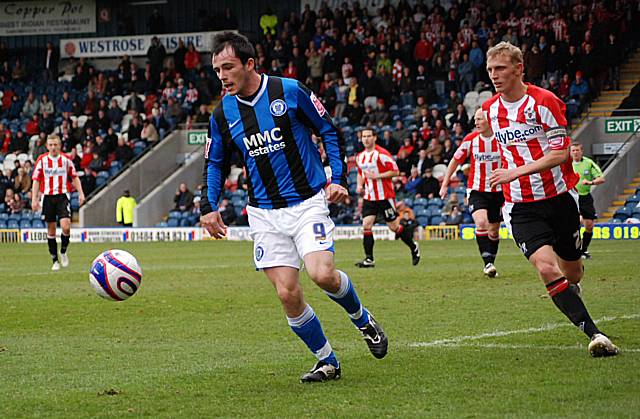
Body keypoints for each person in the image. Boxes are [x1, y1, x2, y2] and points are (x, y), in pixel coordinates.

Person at [200, 32, 387, 383]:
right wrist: (208, 206)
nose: (222, 76)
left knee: (322, 274)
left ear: (249, 64)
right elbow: (215, 162)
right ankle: (327, 361)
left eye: (228, 67)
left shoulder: (290, 91)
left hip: (306, 203)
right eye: (217, 70)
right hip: (264, 214)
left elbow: (329, 131)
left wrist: (338, 178)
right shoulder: (222, 113)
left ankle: (362, 319)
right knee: (287, 292)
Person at [484, 42, 618, 357]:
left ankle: (571, 286)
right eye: (490, 70)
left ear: (519, 68)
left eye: (501, 68)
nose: (494, 75)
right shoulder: (491, 109)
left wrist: (516, 170)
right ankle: (595, 335)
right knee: (546, 268)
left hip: (559, 199)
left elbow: (559, 153)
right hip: (519, 206)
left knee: (572, 272)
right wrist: (509, 176)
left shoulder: (544, 102)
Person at [440, 108, 504, 277]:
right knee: (481, 223)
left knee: (494, 231)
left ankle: (491, 260)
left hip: (498, 191)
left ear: (489, 120)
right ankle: (488, 263)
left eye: (480, 119)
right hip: (477, 190)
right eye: (475, 119)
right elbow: (455, 160)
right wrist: (445, 183)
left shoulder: (502, 138)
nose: (476, 122)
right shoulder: (471, 140)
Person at [354, 128, 420, 268]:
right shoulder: (360, 156)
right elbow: (361, 173)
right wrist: (359, 185)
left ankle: (413, 247)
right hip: (369, 196)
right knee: (366, 225)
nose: (366, 139)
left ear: (375, 137)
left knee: (394, 227)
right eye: (363, 136)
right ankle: (369, 259)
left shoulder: (382, 154)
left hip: (385, 196)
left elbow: (396, 171)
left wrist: (377, 176)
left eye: (369, 136)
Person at [31, 135, 85, 271]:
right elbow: (36, 180)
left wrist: (81, 193)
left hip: (62, 196)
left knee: (66, 227)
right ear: (47, 146)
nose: (53, 147)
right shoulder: (42, 161)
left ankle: (63, 251)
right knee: (51, 229)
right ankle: (55, 260)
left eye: (55, 145)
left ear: (59, 145)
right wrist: (34, 199)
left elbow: (74, 177)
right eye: (50, 145)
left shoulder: (66, 160)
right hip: (48, 197)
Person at [570, 142, 604, 259]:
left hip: (585, 197)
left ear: (581, 151)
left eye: (577, 150)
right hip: (570, 197)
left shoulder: (588, 163)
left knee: (589, 225)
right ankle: (575, 250)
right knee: (573, 224)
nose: (575, 152)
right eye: (573, 150)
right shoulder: (567, 164)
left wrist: (590, 182)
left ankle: (584, 250)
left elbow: (601, 178)